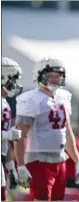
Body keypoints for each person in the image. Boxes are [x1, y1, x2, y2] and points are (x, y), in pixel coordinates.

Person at [14, 57, 79, 201]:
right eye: (50, 75)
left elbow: (67, 133)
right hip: (39, 161)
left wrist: (77, 160)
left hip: (60, 160)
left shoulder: (63, 98)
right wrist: (20, 165)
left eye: (57, 75)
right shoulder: (31, 99)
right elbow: (19, 135)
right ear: (39, 75)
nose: (54, 79)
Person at [1, 57, 23, 201]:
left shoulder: (5, 104)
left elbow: (6, 145)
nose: (15, 84)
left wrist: (11, 170)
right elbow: (7, 137)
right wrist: (8, 135)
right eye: (13, 79)